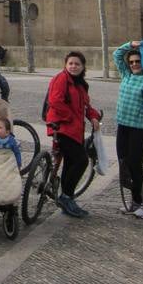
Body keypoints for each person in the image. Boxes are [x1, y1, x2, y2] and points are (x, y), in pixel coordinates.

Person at [45, 51, 101, 219]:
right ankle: (66, 197)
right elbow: (55, 100)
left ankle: (67, 198)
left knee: (71, 162)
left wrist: (93, 116)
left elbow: (85, 105)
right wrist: (70, 117)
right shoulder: (61, 79)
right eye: (70, 63)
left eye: (77, 64)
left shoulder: (81, 84)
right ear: (65, 65)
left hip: (75, 130)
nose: (73, 66)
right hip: (61, 128)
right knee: (81, 160)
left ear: (83, 67)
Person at [113, 41, 143, 219]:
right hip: (123, 126)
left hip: (140, 128)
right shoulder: (126, 75)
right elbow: (117, 55)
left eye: (138, 61)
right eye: (132, 62)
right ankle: (135, 201)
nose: (135, 64)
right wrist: (131, 45)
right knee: (125, 164)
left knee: (136, 165)